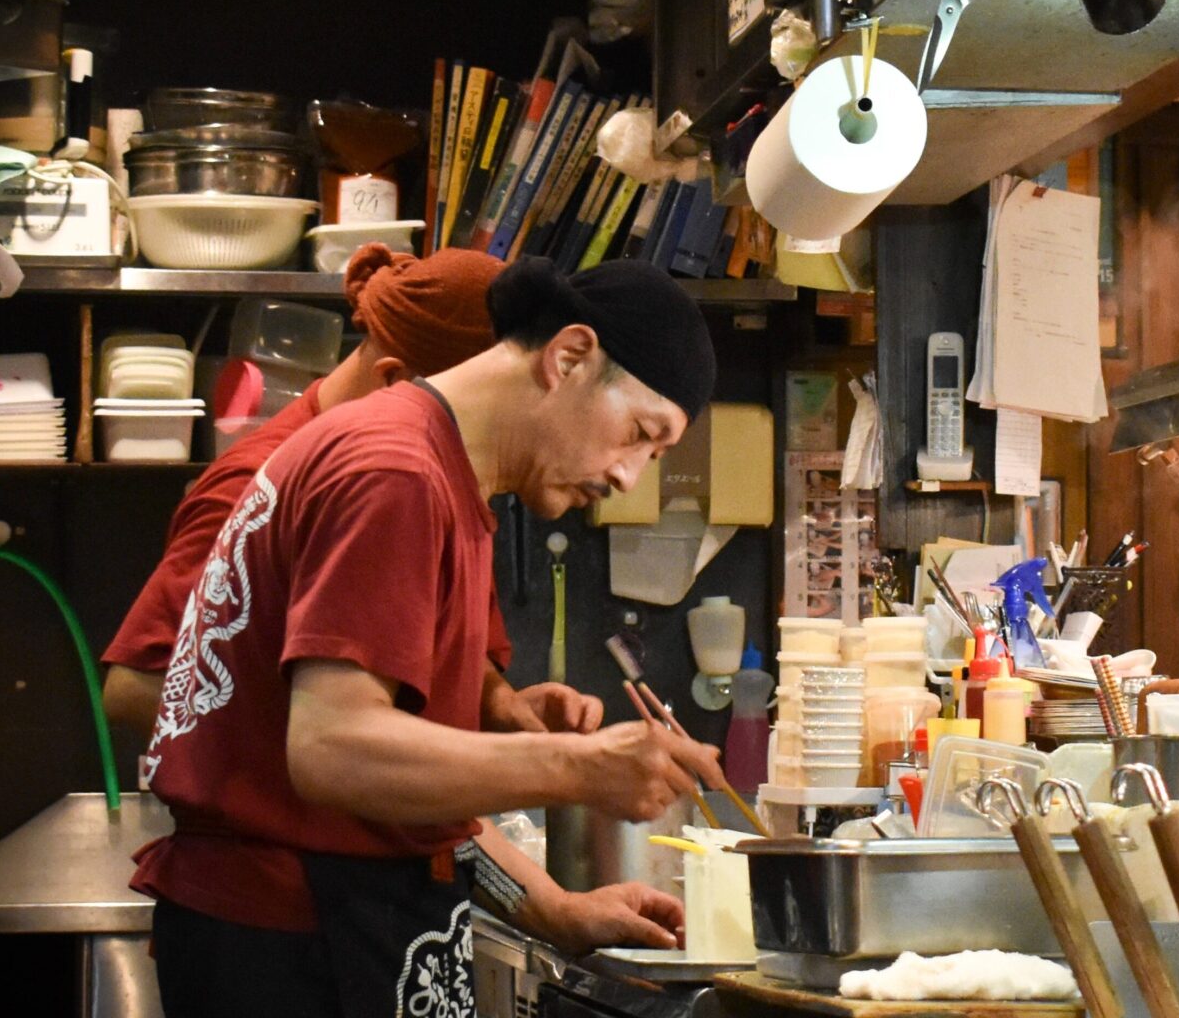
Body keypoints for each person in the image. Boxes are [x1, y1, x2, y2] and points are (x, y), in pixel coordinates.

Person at [134, 258, 725, 1018]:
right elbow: (333, 750)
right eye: (643, 436)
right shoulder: (397, 473)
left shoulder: (432, 465)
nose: (630, 477)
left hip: (319, 925)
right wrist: (579, 766)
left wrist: (553, 909)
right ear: (569, 357)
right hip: (300, 944)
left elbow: (391, 778)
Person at [101, 244, 582, 742]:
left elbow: (436, 644)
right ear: (397, 383)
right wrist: (333, 740)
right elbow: (136, 688)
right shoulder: (258, 488)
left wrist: (498, 704)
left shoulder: (447, 480)